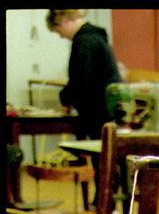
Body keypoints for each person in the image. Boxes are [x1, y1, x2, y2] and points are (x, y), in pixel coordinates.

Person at [46, 10, 120, 140]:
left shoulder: (85, 41)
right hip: (109, 107)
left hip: (100, 111)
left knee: (101, 154)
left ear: (63, 22)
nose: (61, 37)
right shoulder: (95, 37)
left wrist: (65, 98)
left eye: (58, 32)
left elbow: (80, 80)